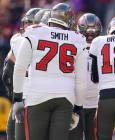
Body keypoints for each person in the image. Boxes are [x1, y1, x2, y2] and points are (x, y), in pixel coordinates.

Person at [12, 3, 86, 140]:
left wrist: (17, 97)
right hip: (65, 97)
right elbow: (81, 80)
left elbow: (20, 68)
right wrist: (77, 108)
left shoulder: (35, 32)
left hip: (37, 95)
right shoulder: (77, 39)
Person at [2, 8, 41, 140]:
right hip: (32, 95)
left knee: (16, 133)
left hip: (27, 96)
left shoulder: (18, 40)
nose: (26, 26)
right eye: (26, 23)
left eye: (30, 23)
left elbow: (8, 72)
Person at [69, 13, 102, 140]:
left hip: (91, 102)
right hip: (82, 102)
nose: (89, 34)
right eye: (87, 32)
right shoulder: (102, 44)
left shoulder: (74, 43)